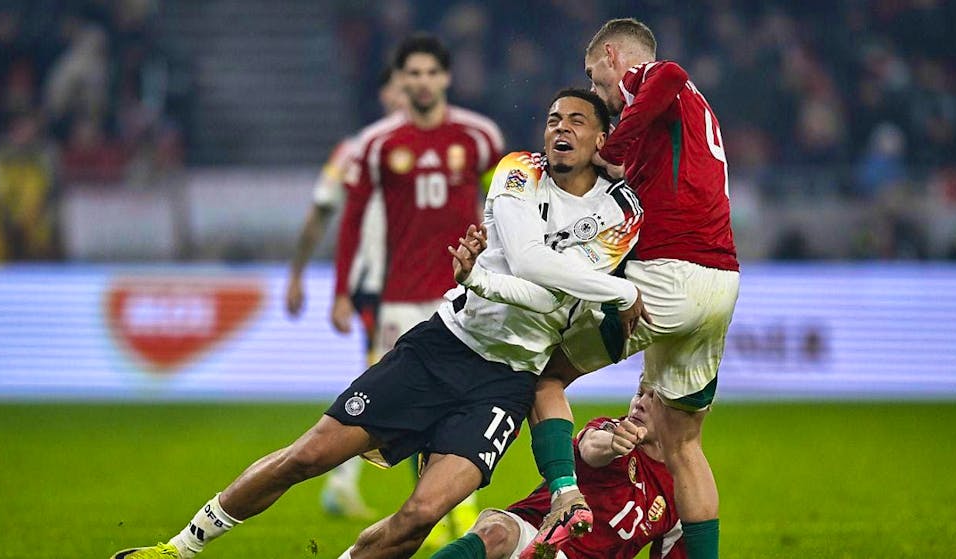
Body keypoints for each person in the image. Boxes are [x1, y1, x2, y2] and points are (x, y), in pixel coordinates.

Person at [109, 87, 647, 559]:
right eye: (554, 119)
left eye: (577, 121)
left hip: (506, 383)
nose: (561, 128)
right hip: (443, 347)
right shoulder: (517, 171)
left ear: (602, 139)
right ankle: (178, 548)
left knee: (421, 516)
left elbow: (556, 292)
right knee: (308, 455)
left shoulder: (622, 211)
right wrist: (607, 290)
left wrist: (486, 280)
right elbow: (536, 268)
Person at [524, 18, 741, 559]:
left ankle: (564, 497)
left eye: (597, 81)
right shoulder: (682, 121)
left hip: (670, 274)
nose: (600, 95)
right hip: (720, 281)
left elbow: (669, 74)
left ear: (614, 57)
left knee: (546, 378)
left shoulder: (658, 79)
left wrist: (609, 145)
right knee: (682, 442)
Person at [334, 33, 505, 543]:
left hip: (464, 295)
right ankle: (428, 516)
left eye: (432, 72)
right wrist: (342, 290)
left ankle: (460, 515)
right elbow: (352, 218)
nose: (423, 81)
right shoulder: (379, 144)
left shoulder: (479, 138)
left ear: (445, 78)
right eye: (414, 73)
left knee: (461, 406)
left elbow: (503, 210)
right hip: (400, 300)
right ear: (402, 80)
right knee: (410, 411)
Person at [284, 66, 406, 520]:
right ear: (383, 94)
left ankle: (345, 478)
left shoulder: (432, 147)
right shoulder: (355, 150)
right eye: (397, 85)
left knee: (387, 375)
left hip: (420, 280)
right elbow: (322, 212)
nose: (404, 95)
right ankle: (341, 477)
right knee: (386, 376)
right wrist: (298, 275)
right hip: (376, 281)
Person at [432, 384, 685, 559]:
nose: (640, 404)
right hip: (534, 533)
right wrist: (613, 443)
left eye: (654, 399)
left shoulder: (685, 490)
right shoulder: (613, 430)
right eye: (639, 393)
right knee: (497, 531)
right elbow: (590, 445)